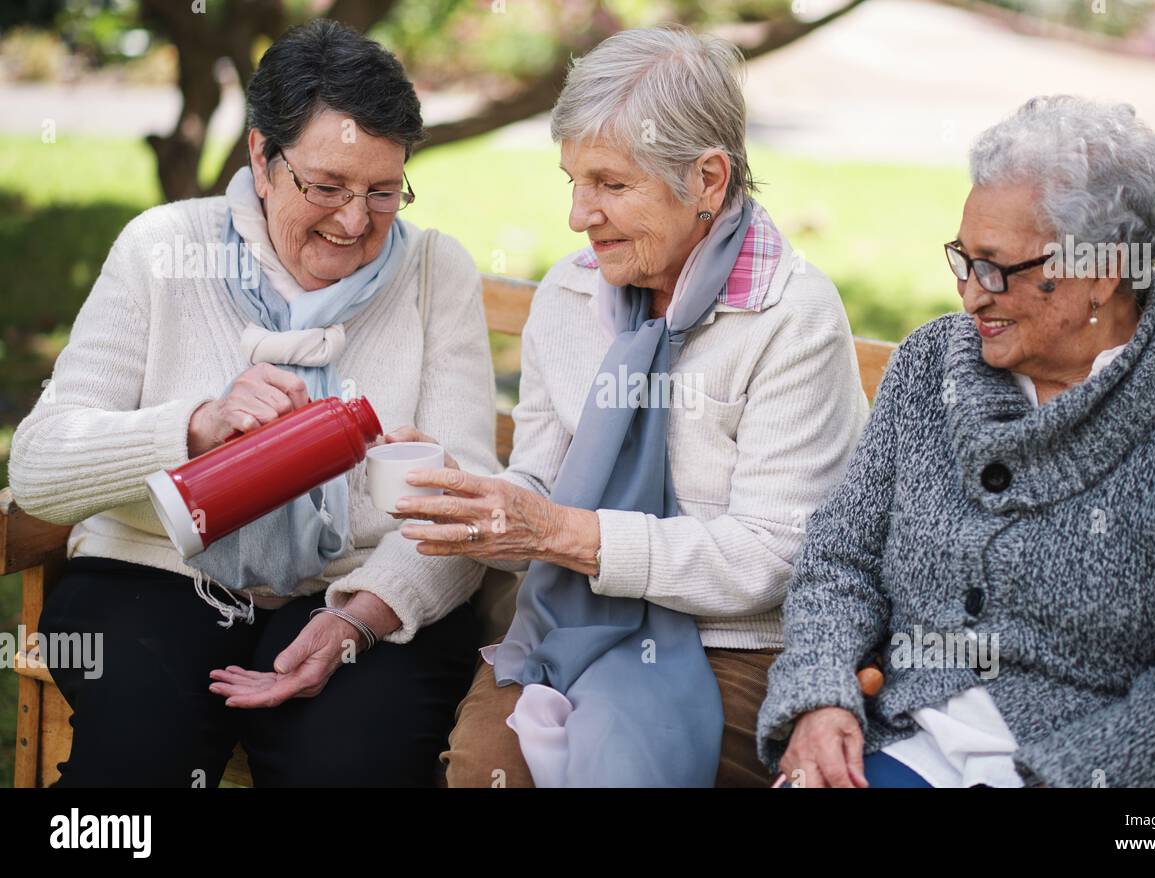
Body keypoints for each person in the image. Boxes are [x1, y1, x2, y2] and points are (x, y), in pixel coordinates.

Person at [8, 19, 498, 787]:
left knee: (350, 765)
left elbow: (465, 499)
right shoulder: (160, 248)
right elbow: (39, 469)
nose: (352, 221)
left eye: (382, 192)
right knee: (136, 769)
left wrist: (357, 619)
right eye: (327, 187)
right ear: (262, 157)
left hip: (359, 588)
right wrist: (195, 429)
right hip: (157, 573)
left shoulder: (436, 273)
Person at [757, 96, 1155, 788]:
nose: (969, 295)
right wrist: (820, 696)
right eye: (963, 258)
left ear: (1102, 272)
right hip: (893, 741)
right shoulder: (930, 366)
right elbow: (842, 557)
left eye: (996, 267)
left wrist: (1067, 776)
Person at [391, 25, 868, 787]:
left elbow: (770, 558)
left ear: (708, 180)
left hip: (732, 640)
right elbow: (542, 492)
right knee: (486, 767)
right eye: (572, 181)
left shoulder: (790, 316)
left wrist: (564, 533)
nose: (580, 216)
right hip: (570, 621)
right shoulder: (571, 292)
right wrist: (479, 504)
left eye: (612, 185)